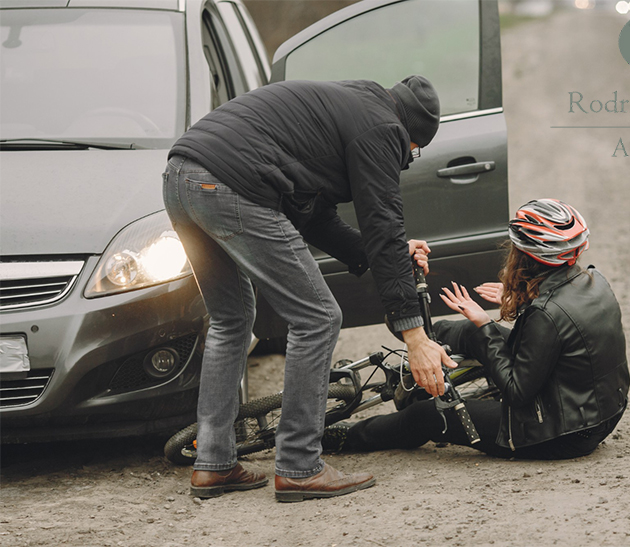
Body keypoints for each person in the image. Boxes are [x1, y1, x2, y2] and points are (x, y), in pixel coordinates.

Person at [162, 75, 456, 501]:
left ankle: (214, 463)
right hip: (231, 183)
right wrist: (415, 336)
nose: (407, 158)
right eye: (413, 151)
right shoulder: (383, 129)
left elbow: (316, 216)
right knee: (317, 318)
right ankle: (300, 465)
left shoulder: (351, 107)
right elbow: (384, 224)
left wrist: (383, 253)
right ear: (410, 135)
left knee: (232, 319)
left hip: (180, 177)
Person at [323, 199, 630, 460]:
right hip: (599, 412)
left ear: (527, 256)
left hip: (560, 433)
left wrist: (485, 323)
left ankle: (343, 438)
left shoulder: (545, 314)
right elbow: (561, 333)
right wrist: (521, 300)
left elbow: (516, 391)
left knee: (426, 415)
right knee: (472, 333)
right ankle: (422, 340)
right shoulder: (594, 281)